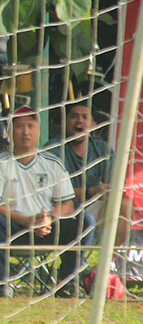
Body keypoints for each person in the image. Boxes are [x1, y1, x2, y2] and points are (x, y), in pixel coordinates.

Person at [0, 105, 96, 298]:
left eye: (30, 126)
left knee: (85, 220)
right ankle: (4, 281)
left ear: (38, 131)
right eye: (19, 126)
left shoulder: (53, 164)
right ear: (10, 131)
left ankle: (66, 281)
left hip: (47, 230)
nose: (25, 132)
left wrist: (48, 219)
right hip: (14, 231)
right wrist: (26, 221)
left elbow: (67, 204)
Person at [46, 100, 131, 248]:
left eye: (85, 117)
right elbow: (49, 192)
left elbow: (116, 187)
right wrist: (90, 191)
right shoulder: (53, 149)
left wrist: (108, 190)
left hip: (92, 209)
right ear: (65, 123)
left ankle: (106, 264)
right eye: (74, 116)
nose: (79, 120)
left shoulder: (103, 150)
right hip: (59, 211)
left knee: (124, 204)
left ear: (93, 125)